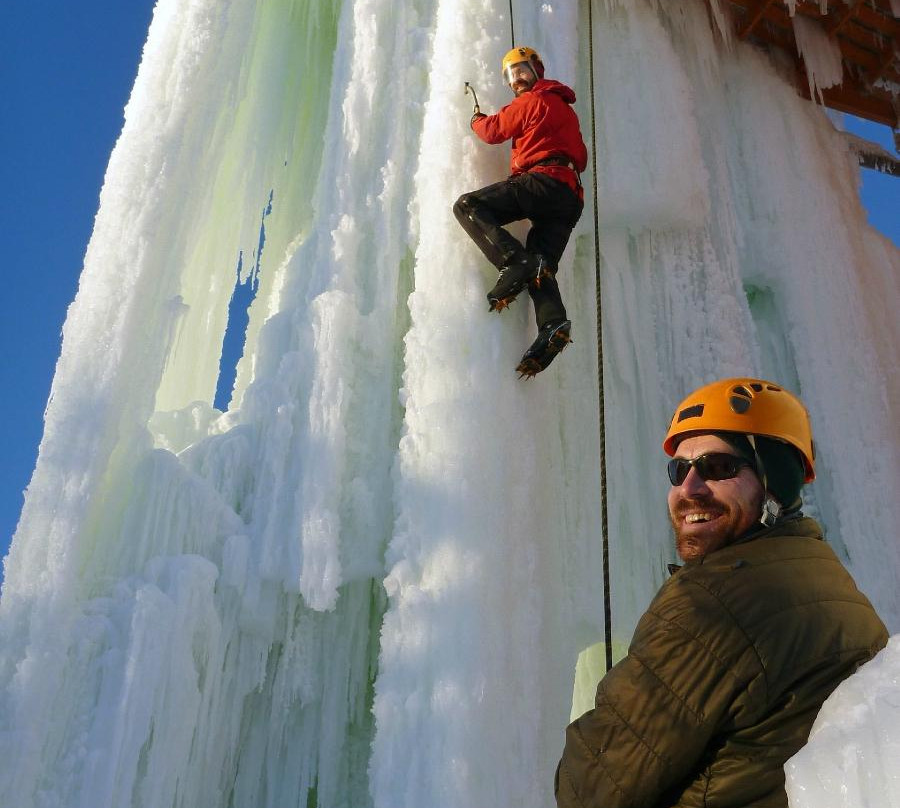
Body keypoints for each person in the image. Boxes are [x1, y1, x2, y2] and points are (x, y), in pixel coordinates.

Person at [556, 377, 888, 808]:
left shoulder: (709, 604)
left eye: (717, 468)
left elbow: (591, 793)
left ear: (775, 482)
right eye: (679, 470)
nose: (688, 489)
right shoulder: (833, 582)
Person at [453, 46, 588, 378]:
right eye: (511, 74)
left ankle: (512, 260)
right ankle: (553, 324)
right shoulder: (565, 110)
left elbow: (493, 131)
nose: (517, 78)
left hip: (543, 180)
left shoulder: (534, 99)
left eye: (522, 70)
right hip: (569, 197)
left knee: (469, 206)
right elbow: (581, 155)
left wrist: (476, 119)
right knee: (540, 266)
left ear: (537, 70)